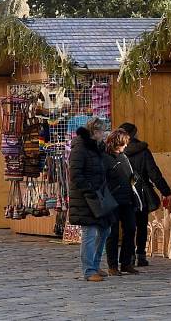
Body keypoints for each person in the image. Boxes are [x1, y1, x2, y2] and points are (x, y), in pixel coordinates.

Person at [119, 122, 171, 267]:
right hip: (141, 193)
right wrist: (166, 191)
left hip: (124, 192)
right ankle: (140, 256)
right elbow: (154, 174)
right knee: (141, 224)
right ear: (135, 134)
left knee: (127, 226)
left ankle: (128, 257)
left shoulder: (118, 151)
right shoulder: (143, 151)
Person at [68, 118, 114, 282]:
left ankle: (94, 264)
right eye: (102, 131)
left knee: (105, 229)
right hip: (86, 198)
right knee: (89, 232)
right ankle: (88, 270)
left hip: (99, 195)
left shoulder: (97, 148)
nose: (104, 134)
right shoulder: (80, 148)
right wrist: (89, 190)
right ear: (94, 132)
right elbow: (75, 174)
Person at [103, 129, 141, 275]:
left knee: (131, 229)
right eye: (124, 143)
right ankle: (112, 266)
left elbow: (130, 175)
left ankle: (126, 262)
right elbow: (103, 179)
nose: (126, 145)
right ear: (117, 142)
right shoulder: (105, 158)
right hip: (112, 200)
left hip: (127, 198)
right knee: (112, 233)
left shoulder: (124, 157)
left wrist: (134, 180)